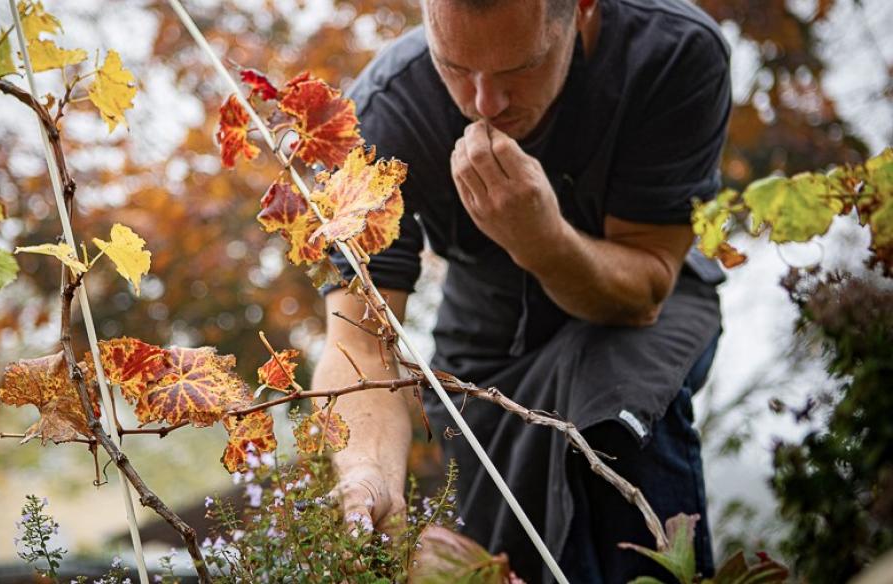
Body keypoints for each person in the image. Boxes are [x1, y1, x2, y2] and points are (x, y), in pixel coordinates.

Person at [310, 0, 732, 581]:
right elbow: (359, 345)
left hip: (643, 305)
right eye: (454, 67)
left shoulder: (672, 51)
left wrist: (542, 240)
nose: (484, 103)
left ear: (581, 10)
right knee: (506, 547)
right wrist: (365, 469)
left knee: (620, 420)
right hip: (488, 337)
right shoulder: (383, 113)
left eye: (518, 71)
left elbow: (649, 281)